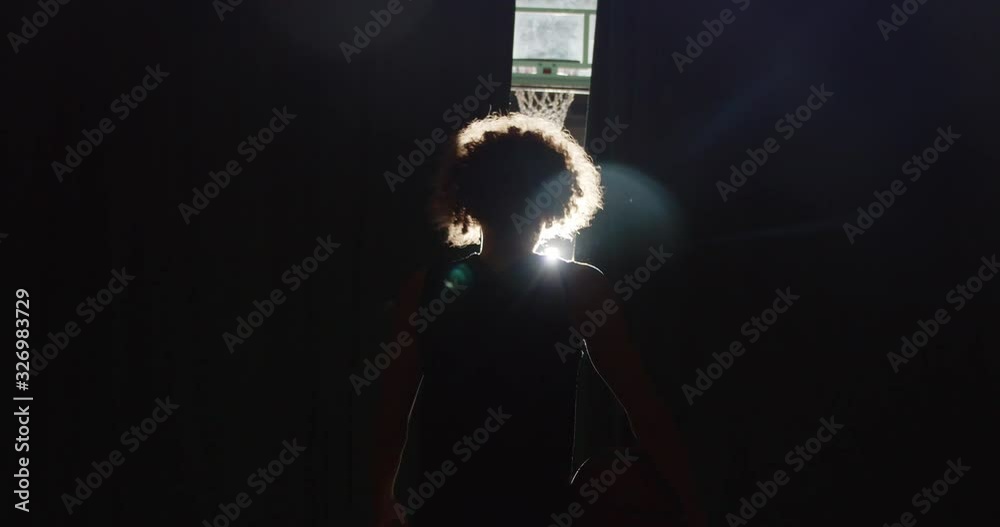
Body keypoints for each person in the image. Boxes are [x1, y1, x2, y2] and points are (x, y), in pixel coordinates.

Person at [371, 114, 706, 527]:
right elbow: (642, 405)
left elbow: (391, 411)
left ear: (466, 196)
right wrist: (690, 502)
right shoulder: (579, 288)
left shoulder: (424, 288)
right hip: (537, 509)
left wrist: (380, 501)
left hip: (446, 510)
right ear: (555, 198)